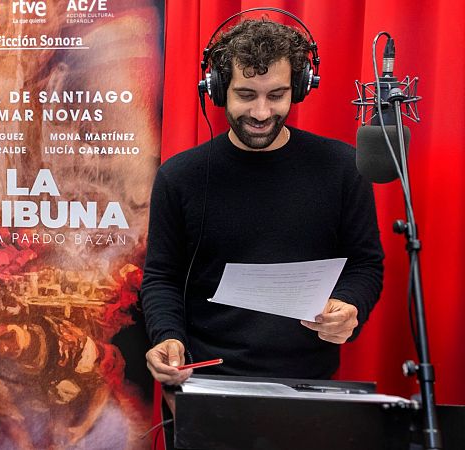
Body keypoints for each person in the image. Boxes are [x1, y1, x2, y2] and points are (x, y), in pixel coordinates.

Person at [141, 17, 384, 386]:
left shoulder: (342, 168)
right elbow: (162, 277)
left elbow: (365, 264)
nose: (260, 113)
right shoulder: (180, 177)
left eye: (276, 95)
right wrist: (167, 337)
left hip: (310, 385)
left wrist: (350, 305)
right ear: (219, 89)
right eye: (246, 95)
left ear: (298, 90)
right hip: (206, 382)